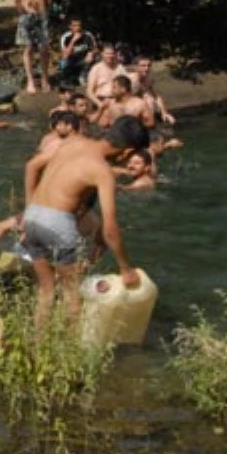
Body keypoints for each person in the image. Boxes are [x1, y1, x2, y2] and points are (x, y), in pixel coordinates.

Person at [14, 115, 149, 326]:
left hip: (33, 217)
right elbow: (110, 229)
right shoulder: (102, 171)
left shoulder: (73, 141)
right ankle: (73, 352)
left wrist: (29, 209)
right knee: (72, 296)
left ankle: (38, 348)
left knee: (46, 290)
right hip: (58, 222)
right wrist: (125, 268)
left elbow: (31, 166)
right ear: (128, 151)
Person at [15, 0, 53, 93]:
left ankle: (45, 78)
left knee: (44, 48)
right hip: (27, 16)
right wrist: (25, 11)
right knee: (28, 48)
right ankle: (30, 80)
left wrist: (43, 10)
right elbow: (17, 1)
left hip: (41, 16)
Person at [130, 56, 175, 125]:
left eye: (148, 66)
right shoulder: (131, 81)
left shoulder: (149, 78)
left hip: (142, 109)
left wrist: (164, 112)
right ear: (136, 67)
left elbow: (157, 96)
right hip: (129, 109)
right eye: (143, 66)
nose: (146, 68)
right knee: (148, 100)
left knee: (150, 99)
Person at [85, 44, 128, 113]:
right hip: (101, 100)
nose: (110, 56)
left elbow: (127, 86)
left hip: (118, 101)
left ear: (115, 54)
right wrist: (99, 104)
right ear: (102, 54)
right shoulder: (96, 69)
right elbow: (89, 91)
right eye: (107, 53)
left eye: (112, 53)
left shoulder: (120, 68)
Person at [57, 17, 98, 86]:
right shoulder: (65, 37)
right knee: (63, 62)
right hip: (71, 61)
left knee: (94, 57)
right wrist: (73, 41)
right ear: (70, 27)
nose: (77, 28)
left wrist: (91, 53)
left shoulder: (88, 35)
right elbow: (65, 55)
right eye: (75, 26)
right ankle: (65, 79)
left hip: (84, 60)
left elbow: (95, 49)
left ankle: (83, 76)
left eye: (79, 25)